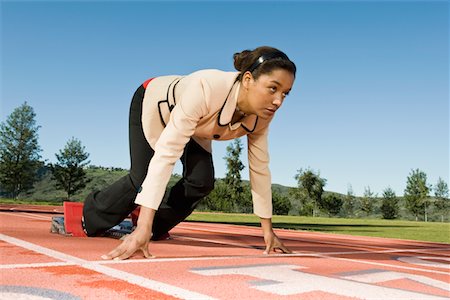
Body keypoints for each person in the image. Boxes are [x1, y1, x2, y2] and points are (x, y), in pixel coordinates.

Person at [82, 46, 297, 260]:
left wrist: (268, 232)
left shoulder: (263, 114)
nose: (278, 101)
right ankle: (88, 215)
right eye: (272, 88)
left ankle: (149, 225)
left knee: (201, 181)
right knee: (141, 176)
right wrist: (143, 225)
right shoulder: (206, 88)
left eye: (285, 94)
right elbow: (167, 153)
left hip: (199, 125)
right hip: (155, 104)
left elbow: (259, 168)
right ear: (248, 80)